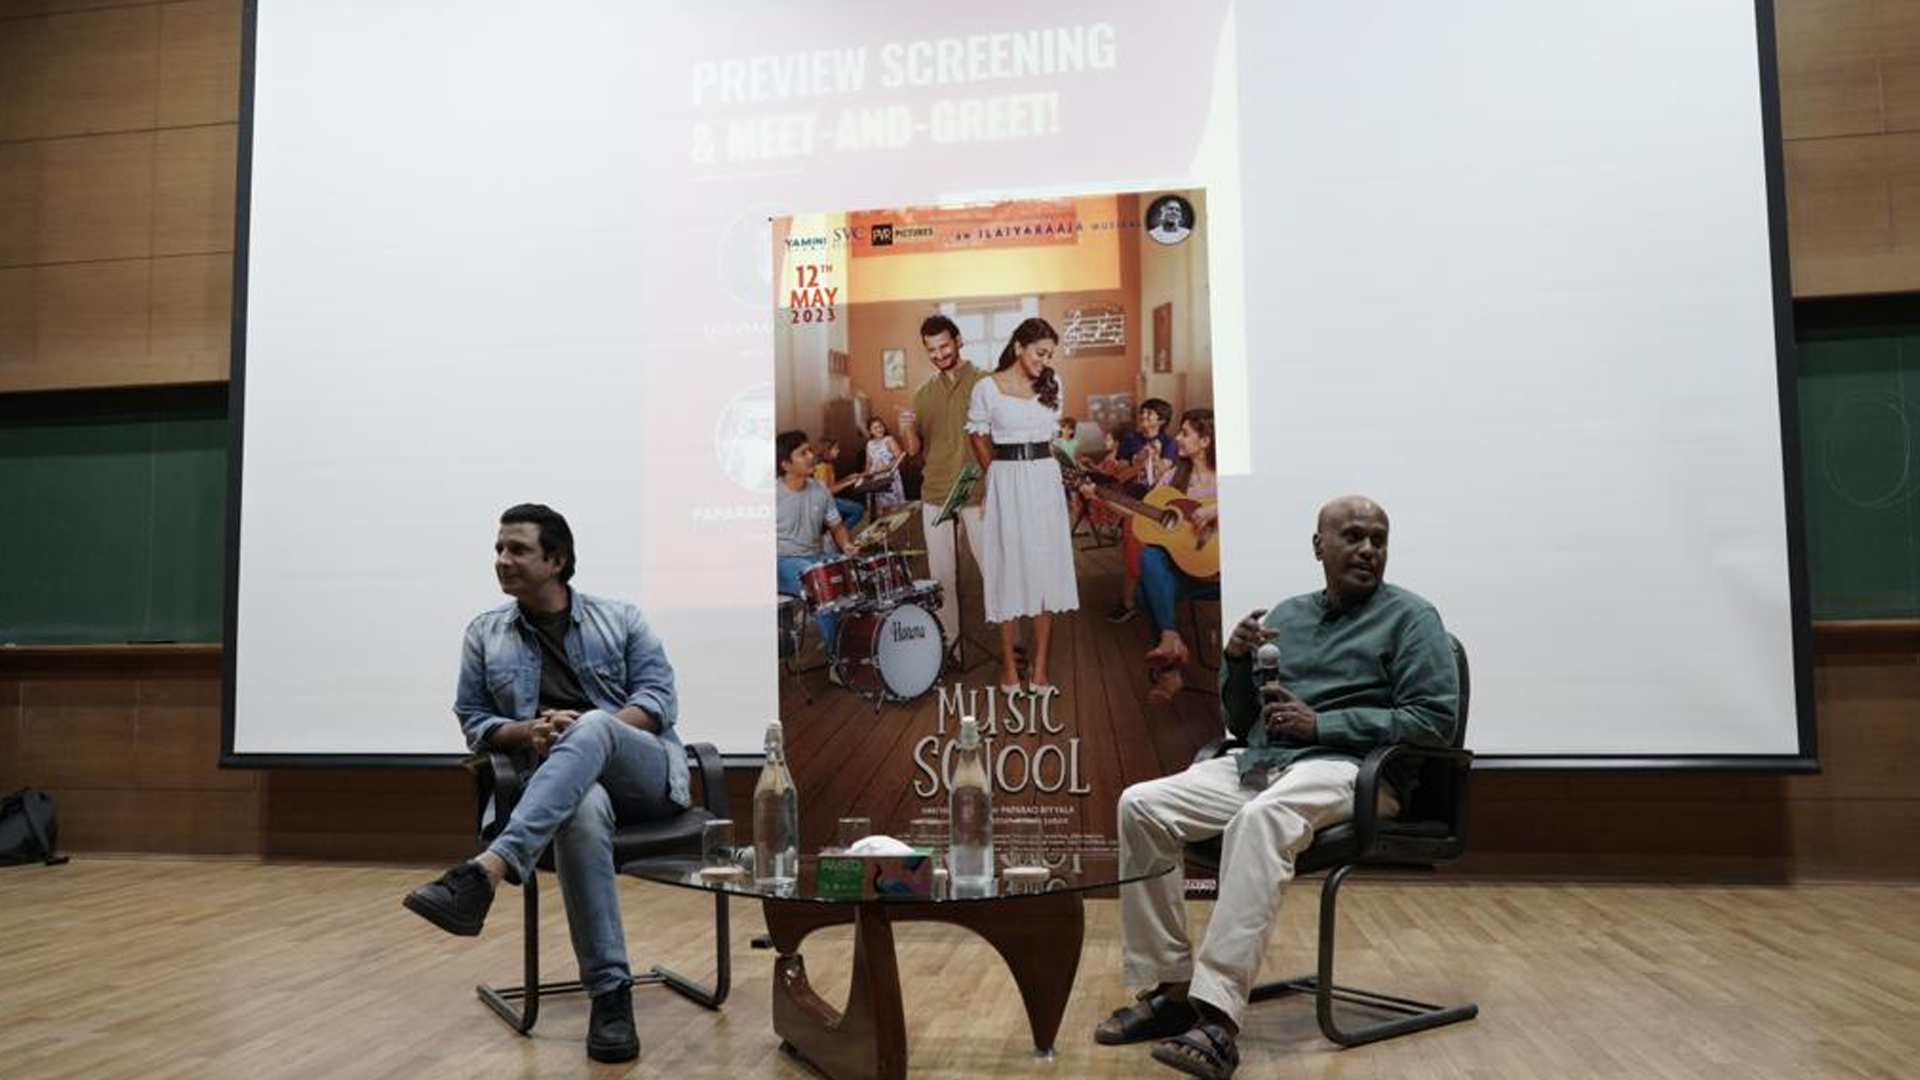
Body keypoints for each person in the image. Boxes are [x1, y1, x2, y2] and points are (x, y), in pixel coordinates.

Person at [1094, 496, 1459, 1080]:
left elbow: (1433, 720)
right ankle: (1170, 991)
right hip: (1267, 764)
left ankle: (1216, 1016)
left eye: (1379, 539)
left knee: (1260, 819)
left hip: (1352, 770)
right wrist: (1236, 662)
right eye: (1354, 537)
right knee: (1142, 805)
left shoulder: (1413, 618)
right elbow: (1244, 723)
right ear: (1320, 547)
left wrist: (1326, 724)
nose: (1369, 549)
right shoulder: (1289, 615)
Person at [403, 503, 688, 1064]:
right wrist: (529, 730)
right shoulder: (485, 634)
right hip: (561, 788)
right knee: (579, 814)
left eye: (517, 550)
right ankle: (610, 997)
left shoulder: (621, 618)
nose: (502, 561)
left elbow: (658, 703)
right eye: (498, 550)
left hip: (644, 779)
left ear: (556, 560)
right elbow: (474, 720)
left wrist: (589, 728)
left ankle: (488, 870)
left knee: (597, 725)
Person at [966, 317, 1081, 694]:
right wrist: (994, 476)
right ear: (1019, 346)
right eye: (1039, 352)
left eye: (1049, 354)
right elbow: (978, 435)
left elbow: (1053, 439)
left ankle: (1040, 669)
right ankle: (1010, 672)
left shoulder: (1053, 383)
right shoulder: (987, 387)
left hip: (1044, 478)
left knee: (1044, 568)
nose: (1045, 361)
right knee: (1008, 567)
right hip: (1006, 478)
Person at [902, 314, 988, 662]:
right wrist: (904, 427)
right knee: (941, 576)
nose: (939, 354)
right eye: (931, 350)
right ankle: (952, 645)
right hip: (936, 494)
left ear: (958, 340)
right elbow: (912, 450)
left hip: (979, 493)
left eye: (944, 346)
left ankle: (1010, 643)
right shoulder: (923, 394)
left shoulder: (985, 382)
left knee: (993, 568)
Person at [1133, 409, 1221, 704]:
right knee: (1150, 557)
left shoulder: (1228, 476)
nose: (1178, 439)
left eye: (1185, 433)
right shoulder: (1174, 476)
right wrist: (1102, 496)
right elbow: (1146, 514)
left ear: (1205, 440)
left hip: (1219, 575)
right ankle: (1170, 638)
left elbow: (1258, 501)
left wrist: (1215, 509)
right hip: (1185, 571)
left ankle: (1170, 670)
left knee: (1145, 593)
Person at [776, 430, 857, 663]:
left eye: (810, 450)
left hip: (814, 558)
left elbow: (838, 526)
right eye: (803, 453)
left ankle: (851, 642)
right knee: (820, 578)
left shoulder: (820, 490)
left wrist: (847, 545)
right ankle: (839, 659)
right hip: (782, 564)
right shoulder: (771, 494)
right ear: (786, 464)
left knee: (844, 571)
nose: (811, 456)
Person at [1103, 398, 1176, 624]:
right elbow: (1120, 476)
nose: (1144, 415)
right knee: (1132, 552)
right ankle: (1127, 603)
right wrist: (1138, 464)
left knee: (1159, 554)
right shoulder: (1130, 439)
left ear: (1161, 420)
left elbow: (1163, 475)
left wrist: (1153, 459)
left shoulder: (1169, 442)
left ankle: (1160, 600)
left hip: (1159, 503)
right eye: (1142, 411)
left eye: (1150, 413)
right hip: (1132, 501)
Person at [812, 436, 865, 535]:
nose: (838, 451)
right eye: (835, 448)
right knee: (859, 510)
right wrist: (849, 483)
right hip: (824, 502)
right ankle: (835, 535)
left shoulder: (829, 465)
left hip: (829, 499)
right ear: (827, 450)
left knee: (855, 509)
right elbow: (828, 491)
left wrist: (849, 477)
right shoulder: (822, 467)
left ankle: (837, 534)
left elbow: (833, 484)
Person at [863, 416, 906, 511]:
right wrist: (866, 478)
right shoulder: (869, 444)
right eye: (875, 428)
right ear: (870, 431)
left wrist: (884, 468)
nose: (879, 429)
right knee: (880, 509)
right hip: (875, 478)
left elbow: (900, 459)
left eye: (880, 426)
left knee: (893, 508)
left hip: (889, 476)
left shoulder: (889, 439)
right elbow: (868, 464)